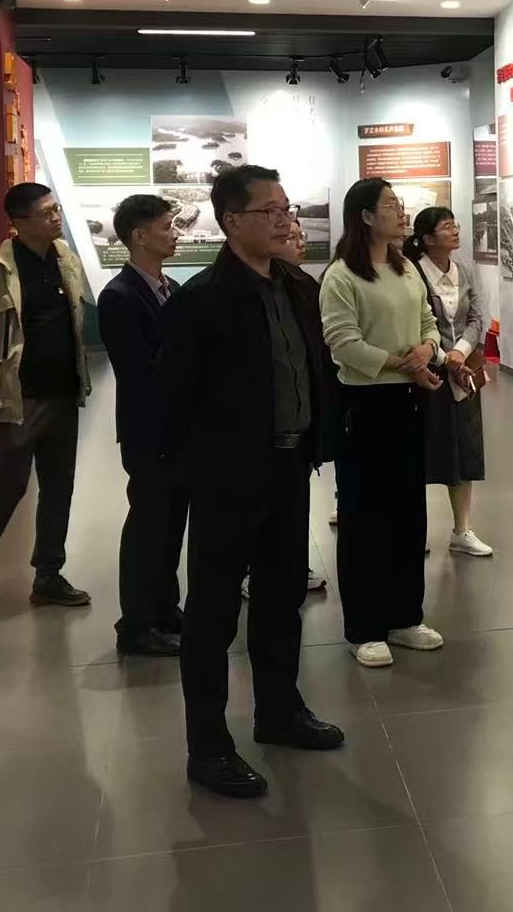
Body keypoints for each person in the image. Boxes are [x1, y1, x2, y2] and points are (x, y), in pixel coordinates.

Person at [155, 165, 345, 798]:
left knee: (281, 596)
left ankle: (279, 710)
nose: (284, 220)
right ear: (232, 221)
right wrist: (198, 474)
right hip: (227, 479)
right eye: (270, 211)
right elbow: (173, 401)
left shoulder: (297, 286)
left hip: (290, 467)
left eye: (287, 208)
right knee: (212, 614)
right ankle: (208, 746)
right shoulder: (201, 300)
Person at [320, 178, 445, 669]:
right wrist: (402, 363)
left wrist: (428, 350)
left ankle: (405, 616)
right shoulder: (341, 276)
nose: (400, 211)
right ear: (366, 216)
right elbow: (342, 343)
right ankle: (365, 627)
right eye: (391, 205)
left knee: (408, 512)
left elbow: (428, 321)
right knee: (364, 517)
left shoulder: (405, 266)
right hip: (364, 404)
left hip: (408, 401)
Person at [0, 183, 95, 615]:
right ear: (19, 222)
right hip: (18, 399)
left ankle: (48, 575)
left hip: (63, 392)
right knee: (6, 489)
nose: (56, 218)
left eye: (56, 210)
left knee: (59, 488)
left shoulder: (65, 259)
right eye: (46, 212)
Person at [99, 194, 188, 656]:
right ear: (139, 235)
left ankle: (165, 609)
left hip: (177, 430)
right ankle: (135, 624)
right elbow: (139, 372)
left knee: (170, 527)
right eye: (167, 226)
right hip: (148, 431)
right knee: (148, 528)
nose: (175, 234)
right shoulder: (119, 296)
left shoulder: (170, 287)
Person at [403, 207, 494, 557]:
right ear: (426, 238)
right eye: (446, 226)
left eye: (455, 224)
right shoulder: (412, 273)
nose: (455, 230)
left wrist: (460, 352)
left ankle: (462, 529)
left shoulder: (463, 270)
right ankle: (416, 530)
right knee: (423, 450)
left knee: (465, 450)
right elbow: (415, 323)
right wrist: (445, 358)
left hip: (464, 370)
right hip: (427, 373)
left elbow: (476, 317)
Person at [277, 213, 329, 593]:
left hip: (302, 417)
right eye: (291, 236)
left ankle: (294, 565)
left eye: (301, 235)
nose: (300, 243)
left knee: (294, 502)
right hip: (267, 426)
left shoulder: (304, 286)